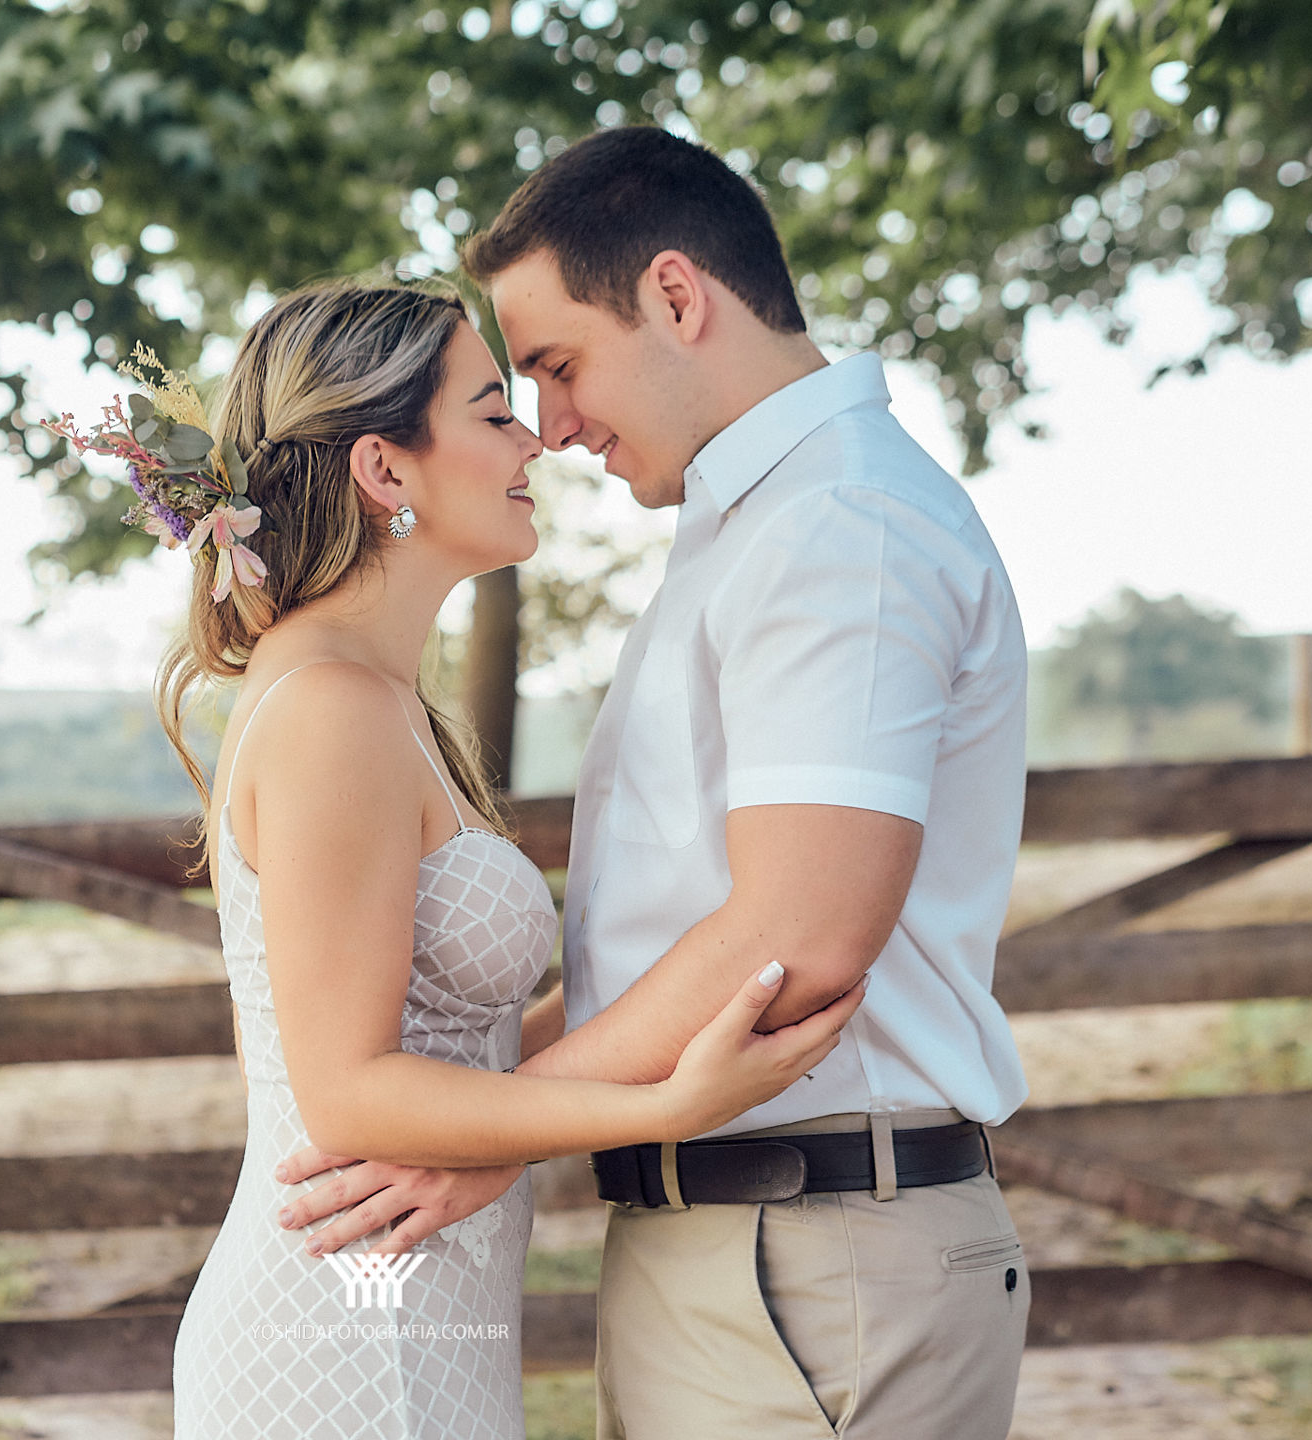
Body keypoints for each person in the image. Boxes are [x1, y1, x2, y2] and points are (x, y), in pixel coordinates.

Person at [277, 129, 1034, 1439]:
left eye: (559, 365)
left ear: (678, 298)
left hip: (811, 1259)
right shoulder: (754, 526)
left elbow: (796, 935)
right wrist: (484, 1110)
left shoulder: (835, 530)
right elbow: (674, 941)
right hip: (745, 1249)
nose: (552, 426)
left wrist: (495, 1132)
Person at [115, 279, 868, 1440]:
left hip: (413, 1319)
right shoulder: (329, 709)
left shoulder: (377, 699)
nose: (538, 441)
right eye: (492, 411)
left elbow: (457, 1043)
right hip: (346, 1342)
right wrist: (664, 1103)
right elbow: (351, 1091)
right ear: (385, 469)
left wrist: (691, 985)